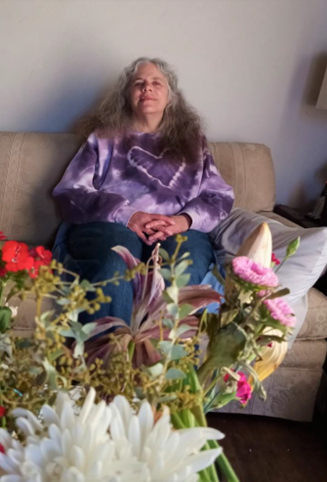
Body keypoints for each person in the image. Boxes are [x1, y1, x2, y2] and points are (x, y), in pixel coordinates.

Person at [52, 57, 234, 325]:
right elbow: (70, 192)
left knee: (183, 270)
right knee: (116, 265)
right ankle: (107, 362)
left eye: (156, 83)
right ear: (127, 97)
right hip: (110, 224)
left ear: (170, 97)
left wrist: (183, 221)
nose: (147, 88)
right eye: (139, 83)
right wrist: (127, 215)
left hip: (178, 229)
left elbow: (219, 197)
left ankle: (165, 363)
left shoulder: (194, 142)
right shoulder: (104, 138)